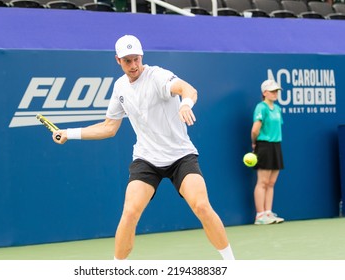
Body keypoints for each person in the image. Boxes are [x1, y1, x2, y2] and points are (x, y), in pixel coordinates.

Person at [52, 35, 234, 260]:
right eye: (127, 60)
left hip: (180, 156)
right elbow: (109, 127)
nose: (133, 65)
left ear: (142, 56)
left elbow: (188, 89)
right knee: (129, 213)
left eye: (136, 59)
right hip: (147, 158)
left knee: (202, 207)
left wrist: (186, 103)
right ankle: (117, 269)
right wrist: (69, 134)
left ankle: (231, 265)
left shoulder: (158, 76)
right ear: (118, 60)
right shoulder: (119, 87)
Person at [251, 79, 285, 225]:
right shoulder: (261, 107)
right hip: (263, 145)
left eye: (276, 91)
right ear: (264, 93)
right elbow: (255, 130)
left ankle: (268, 213)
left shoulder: (277, 109)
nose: (275, 93)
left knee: (271, 182)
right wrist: (254, 143)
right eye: (272, 91)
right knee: (263, 182)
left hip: (276, 146)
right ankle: (260, 215)